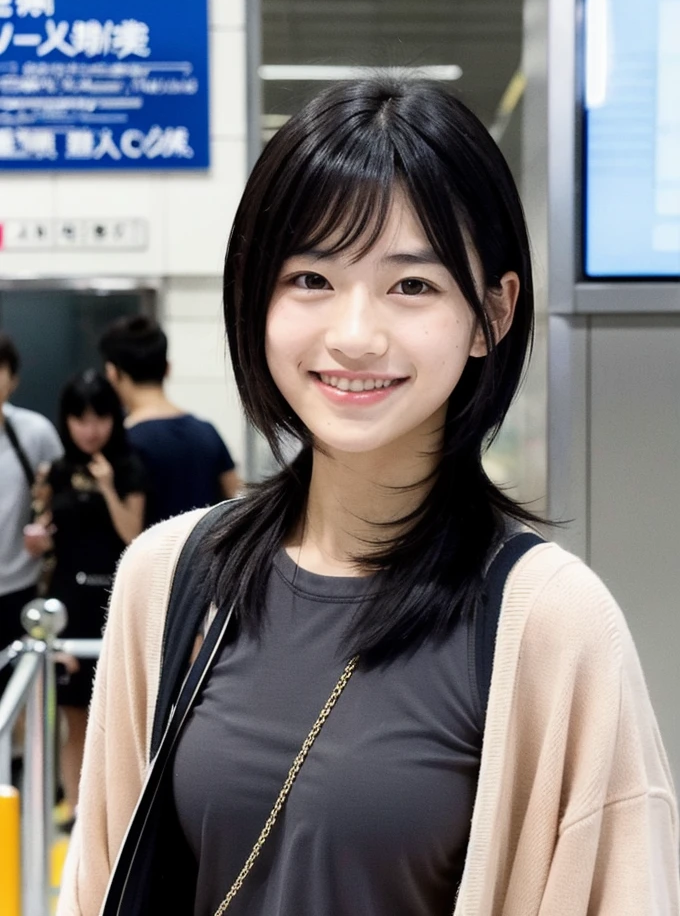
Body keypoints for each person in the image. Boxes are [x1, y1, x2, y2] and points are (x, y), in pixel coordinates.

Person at [58, 78, 679, 916]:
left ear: (492, 313)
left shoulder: (553, 624)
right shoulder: (169, 578)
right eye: (310, 277)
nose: (353, 335)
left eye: (411, 286)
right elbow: (100, 881)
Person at [25, 370, 146, 817]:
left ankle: (116, 814)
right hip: (66, 602)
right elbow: (51, 537)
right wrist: (40, 542)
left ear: (113, 418)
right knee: (72, 715)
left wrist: (109, 485)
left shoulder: (129, 465)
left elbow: (133, 533)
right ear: (67, 421)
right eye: (79, 419)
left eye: (99, 417)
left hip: (114, 599)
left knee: (118, 715)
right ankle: (77, 815)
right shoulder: (55, 472)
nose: (90, 429)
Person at [99, 315, 241, 525]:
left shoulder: (122, 444)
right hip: (207, 555)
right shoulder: (207, 432)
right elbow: (236, 501)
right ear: (168, 368)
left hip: (150, 557)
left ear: (112, 373)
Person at [0, 331, 62, 693]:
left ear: (14, 379)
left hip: (21, 585)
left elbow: (60, 500)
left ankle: (22, 753)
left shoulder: (34, 432)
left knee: (22, 691)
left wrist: (45, 529)